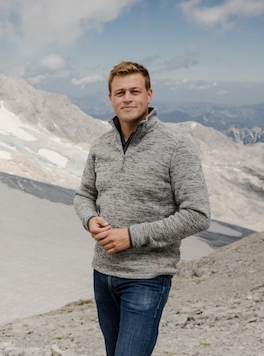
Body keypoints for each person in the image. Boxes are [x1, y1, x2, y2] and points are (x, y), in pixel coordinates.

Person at [73, 61, 211, 356]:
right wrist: (90, 219)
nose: (127, 98)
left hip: (147, 278)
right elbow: (84, 193)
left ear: (150, 94)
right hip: (103, 273)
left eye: (135, 91)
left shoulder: (176, 146)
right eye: (120, 92)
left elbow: (197, 215)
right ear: (110, 98)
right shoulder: (101, 145)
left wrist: (132, 236)